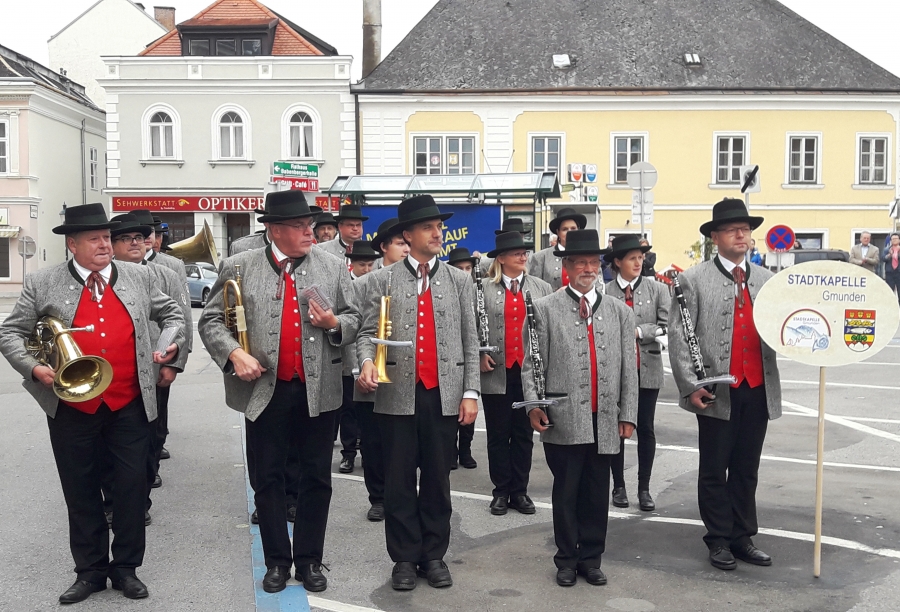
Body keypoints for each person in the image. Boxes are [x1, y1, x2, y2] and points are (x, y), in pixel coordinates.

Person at [0, 203, 185, 604]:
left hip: (130, 403)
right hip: (71, 406)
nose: (105, 245)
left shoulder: (138, 275)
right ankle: (90, 572)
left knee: (132, 488)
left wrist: (170, 345)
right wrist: (34, 368)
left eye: (107, 238)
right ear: (73, 244)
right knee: (80, 490)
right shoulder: (42, 282)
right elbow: (10, 333)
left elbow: (173, 313)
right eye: (95, 239)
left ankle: (126, 569)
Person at [199, 190, 360, 594]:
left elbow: (356, 317)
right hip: (264, 390)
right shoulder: (239, 265)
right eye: (300, 226)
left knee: (316, 478)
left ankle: (308, 560)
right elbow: (211, 321)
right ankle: (276, 562)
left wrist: (334, 324)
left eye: (310, 225)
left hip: (319, 389)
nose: (310, 232)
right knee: (267, 478)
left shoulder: (333, 265)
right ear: (273, 229)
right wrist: (234, 353)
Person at [356, 195, 480, 591]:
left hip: (443, 395)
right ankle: (405, 558)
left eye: (438, 227)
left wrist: (471, 391)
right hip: (396, 395)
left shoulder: (459, 280)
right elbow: (365, 333)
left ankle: (434, 555)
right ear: (407, 236)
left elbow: (470, 340)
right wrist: (366, 362)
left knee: (438, 481)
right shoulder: (382, 279)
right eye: (428, 227)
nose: (437, 233)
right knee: (398, 481)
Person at [668, 198, 783, 571]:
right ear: (715, 237)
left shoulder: (767, 280)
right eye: (733, 230)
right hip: (716, 389)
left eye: (745, 229)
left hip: (758, 386)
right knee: (715, 468)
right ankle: (718, 538)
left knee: (747, 468)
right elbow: (679, 337)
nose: (741, 235)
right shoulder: (693, 279)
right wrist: (690, 385)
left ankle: (742, 536)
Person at [521, 229, 637, 587]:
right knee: (566, 491)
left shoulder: (619, 311)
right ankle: (566, 559)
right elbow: (532, 363)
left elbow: (628, 368)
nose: (588, 269)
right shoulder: (544, 308)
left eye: (592, 262)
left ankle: (591, 558)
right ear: (566, 267)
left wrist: (628, 414)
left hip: (605, 417)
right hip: (563, 415)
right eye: (580, 263)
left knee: (597, 491)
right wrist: (534, 406)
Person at [479, 232, 552, 516]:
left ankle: (519, 491)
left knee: (523, 434)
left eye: (524, 252)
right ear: (501, 258)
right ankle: (500, 491)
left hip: (529, 373)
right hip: (496, 371)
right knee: (498, 434)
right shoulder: (483, 288)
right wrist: (480, 352)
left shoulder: (541, 287)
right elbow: (472, 326)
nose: (523, 257)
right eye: (516, 253)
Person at [603, 235, 669, 512]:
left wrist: (641, 331)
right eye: (632, 258)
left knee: (646, 428)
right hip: (615, 372)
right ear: (618, 262)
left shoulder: (657, 290)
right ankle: (618, 486)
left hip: (648, 369)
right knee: (616, 428)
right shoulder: (605, 291)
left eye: (641, 257)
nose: (638, 262)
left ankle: (644, 488)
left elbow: (668, 325)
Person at [352, 218, 410, 522]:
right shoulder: (363, 284)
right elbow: (353, 330)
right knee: (373, 442)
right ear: (384, 247)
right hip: (370, 375)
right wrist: (360, 369)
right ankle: (377, 497)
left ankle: (401, 496)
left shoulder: (415, 281)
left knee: (402, 445)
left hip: (404, 377)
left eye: (408, 243)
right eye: (400, 243)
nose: (406, 249)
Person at [336, 241, 382, 474]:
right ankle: (348, 454)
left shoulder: (377, 283)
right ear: (351, 264)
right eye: (362, 264)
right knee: (349, 409)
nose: (367, 269)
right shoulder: (345, 285)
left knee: (368, 409)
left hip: (370, 355)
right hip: (348, 356)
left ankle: (367, 452)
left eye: (370, 265)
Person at [445, 246, 480, 470]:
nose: (465, 272)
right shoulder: (447, 289)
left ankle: (465, 450)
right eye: (460, 268)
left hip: (470, 353)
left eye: (468, 268)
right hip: (450, 356)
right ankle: (451, 451)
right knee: (449, 408)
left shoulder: (478, 290)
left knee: (469, 404)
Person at [528, 207, 587, 290]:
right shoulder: (541, 257)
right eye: (565, 229)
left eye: (573, 228)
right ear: (558, 232)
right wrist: (555, 295)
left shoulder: (589, 255)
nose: (569, 232)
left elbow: (598, 288)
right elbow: (534, 289)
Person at [883, 233, 900, 304]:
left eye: (896, 239)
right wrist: (889, 255)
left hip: (899, 273)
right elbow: (883, 259)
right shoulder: (887, 249)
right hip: (890, 273)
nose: (894, 240)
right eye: (893, 239)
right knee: (889, 292)